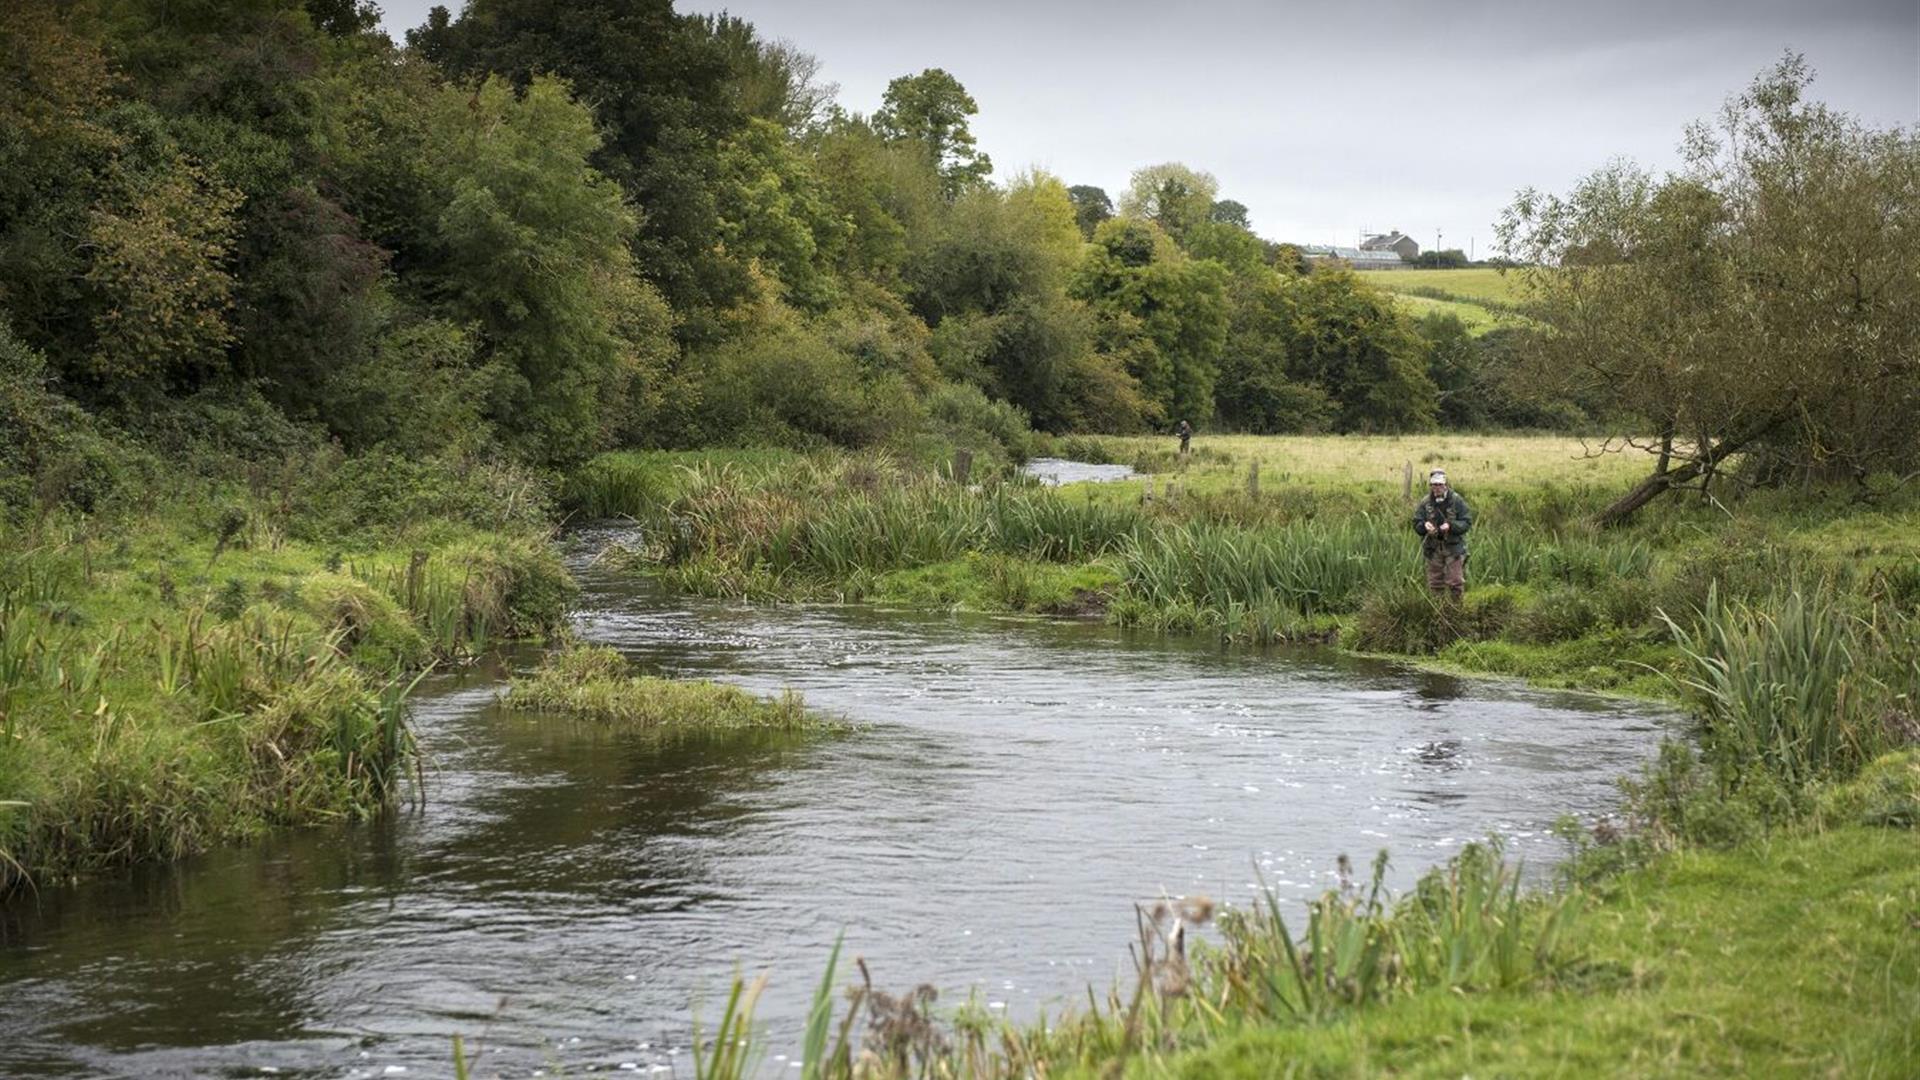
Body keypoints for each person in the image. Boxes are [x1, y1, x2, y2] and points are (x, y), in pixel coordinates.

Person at [1412, 468, 1472, 602]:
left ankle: (1456, 611)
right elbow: (1416, 523)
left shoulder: (1457, 500)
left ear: (1445, 484)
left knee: (1455, 582)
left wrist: (1451, 526)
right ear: (1430, 485)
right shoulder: (1425, 502)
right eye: (1434, 484)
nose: (1437, 488)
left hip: (1453, 548)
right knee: (1435, 584)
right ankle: (1438, 611)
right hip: (1433, 549)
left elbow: (1466, 522)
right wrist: (1424, 526)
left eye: (1439, 484)